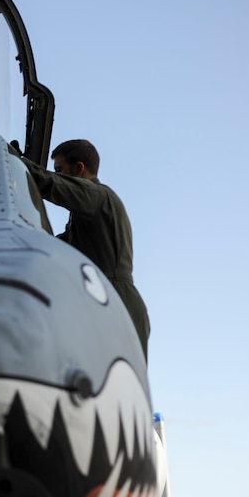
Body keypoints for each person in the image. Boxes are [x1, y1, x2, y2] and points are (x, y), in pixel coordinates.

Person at [28, 139, 150, 359]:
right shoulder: (87, 216)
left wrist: (5, 152)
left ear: (79, 169)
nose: (57, 175)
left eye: (60, 170)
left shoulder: (98, 196)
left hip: (116, 299)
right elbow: (53, 246)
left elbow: (49, 183)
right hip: (107, 297)